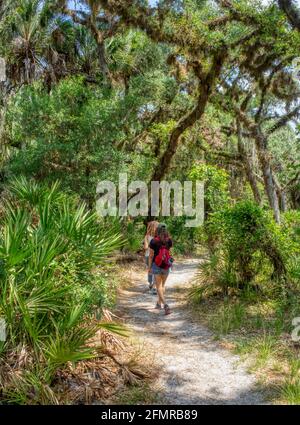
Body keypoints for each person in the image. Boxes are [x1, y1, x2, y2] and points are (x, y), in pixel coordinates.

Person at [148, 223, 173, 315]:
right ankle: (159, 303)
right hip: (166, 265)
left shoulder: (153, 241)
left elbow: (151, 255)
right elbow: (169, 252)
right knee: (162, 286)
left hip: (156, 265)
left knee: (158, 286)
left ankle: (165, 305)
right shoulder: (169, 240)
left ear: (157, 230)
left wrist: (149, 267)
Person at [144, 221, 159, 294]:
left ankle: (150, 283)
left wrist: (150, 248)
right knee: (156, 271)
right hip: (156, 256)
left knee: (150, 270)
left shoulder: (146, 237)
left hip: (147, 255)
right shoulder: (159, 237)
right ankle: (154, 287)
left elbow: (146, 247)